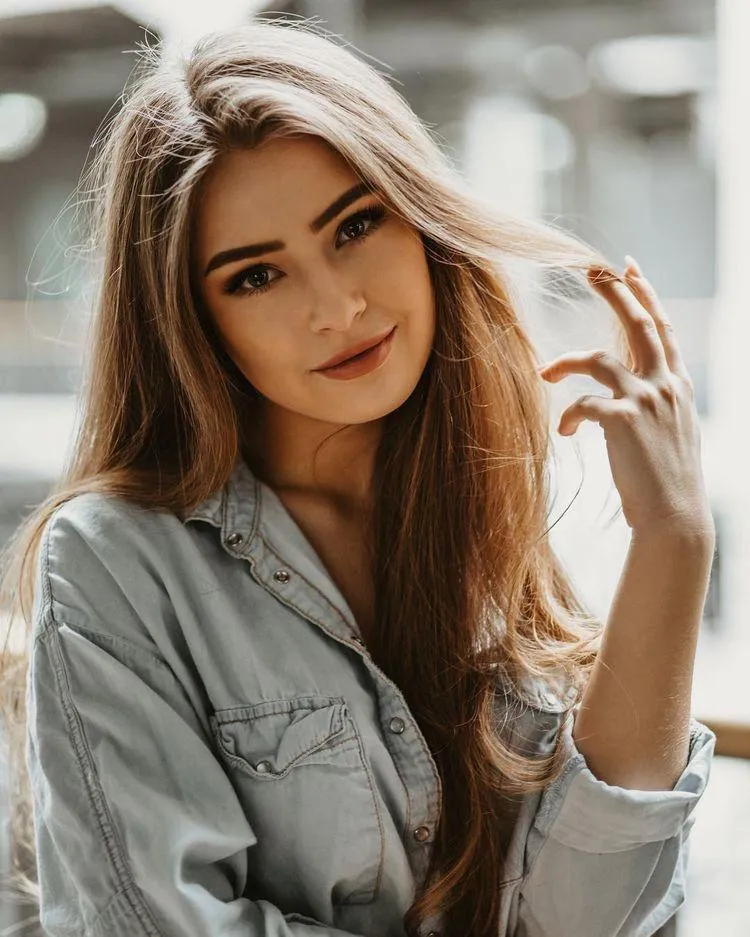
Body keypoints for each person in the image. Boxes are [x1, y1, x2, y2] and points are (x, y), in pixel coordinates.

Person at [0, 16, 717, 937]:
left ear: (421, 220)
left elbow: (595, 919)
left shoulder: (507, 503)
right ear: (192, 320)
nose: (338, 306)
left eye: (356, 224)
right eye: (256, 277)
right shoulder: (118, 561)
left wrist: (676, 539)